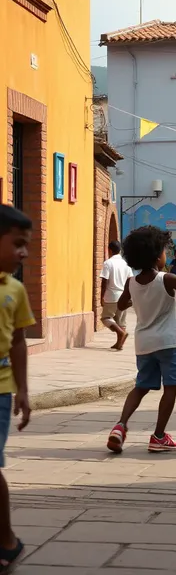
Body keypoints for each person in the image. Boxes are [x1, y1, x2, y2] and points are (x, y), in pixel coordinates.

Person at [107, 226, 176, 454]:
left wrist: (137, 301)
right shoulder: (166, 279)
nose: (166, 256)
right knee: (170, 388)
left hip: (144, 344)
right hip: (168, 343)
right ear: (155, 256)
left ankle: (120, 426)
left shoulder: (132, 282)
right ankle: (159, 436)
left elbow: (121, 305)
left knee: (140, 386)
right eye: (164, 252)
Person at [0, 205, 35, 572]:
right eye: (18, 244)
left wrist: (23, 390)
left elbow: (19, 341)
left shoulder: (15, 290)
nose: (24, 253)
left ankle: (7, 539)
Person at [100, 240, 133, 350]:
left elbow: (104, 281)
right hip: (123, 295)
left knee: (106, 318)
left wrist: (102, 296)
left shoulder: (108, 263)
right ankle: (120, 344)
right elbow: (130, 280)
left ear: (109, 250)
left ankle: (120, 333)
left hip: (111, 295)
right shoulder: (125, 264)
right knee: (121, 321)